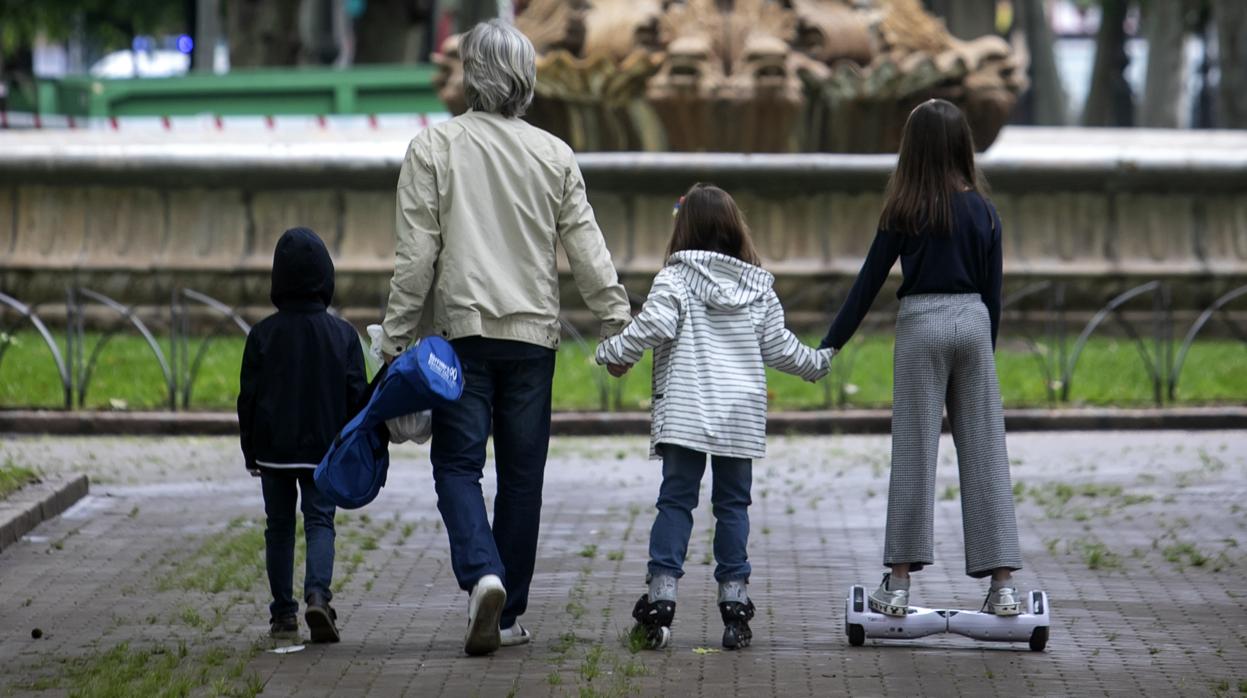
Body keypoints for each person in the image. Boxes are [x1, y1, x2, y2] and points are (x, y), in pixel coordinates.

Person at [376, 20, 632, 656]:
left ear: (470, 75)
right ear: (527, 78)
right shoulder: (554, 154)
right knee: (523, 477)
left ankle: (481, 575)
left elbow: (416, 260)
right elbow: (587, 248)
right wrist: (617, 322)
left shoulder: (433, 148)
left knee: (456, 466)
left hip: (460, 339)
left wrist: (394, 339)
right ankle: (509, 610)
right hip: (532, 340)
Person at [596, 183, 833, 651]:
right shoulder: (757, 286)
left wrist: (611, 351)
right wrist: (818, 362)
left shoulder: (676, 278)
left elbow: (654, 325)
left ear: (684, 229)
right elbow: (779, 347)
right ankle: (735, 604)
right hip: (739, 417)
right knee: (732, 507)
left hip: (686, 414)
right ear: (734, 229)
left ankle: (662, 597)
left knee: (676, 502)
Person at [818, 99, 1023, 617]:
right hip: (973, 323)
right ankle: (1002, 587)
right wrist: (984, 353)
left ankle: (899, 583)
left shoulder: (904, 209)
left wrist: (830, 345)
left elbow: (867, 284)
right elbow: (993, 293)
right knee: (985, 457)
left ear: (912, 150)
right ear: (962, 147)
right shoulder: (984, 210)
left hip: (921, 324)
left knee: (913, 455)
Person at [238, 227, 369, 643]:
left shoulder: (261, 335)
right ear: (325, 278)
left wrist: (250, 450)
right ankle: (318, 595)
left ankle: (282, 614)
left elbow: (248, 398)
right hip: (323, 451)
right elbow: (356, 398)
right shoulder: (343, 335)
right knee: (319, 522)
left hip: (274, 451)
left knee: (278, 527)